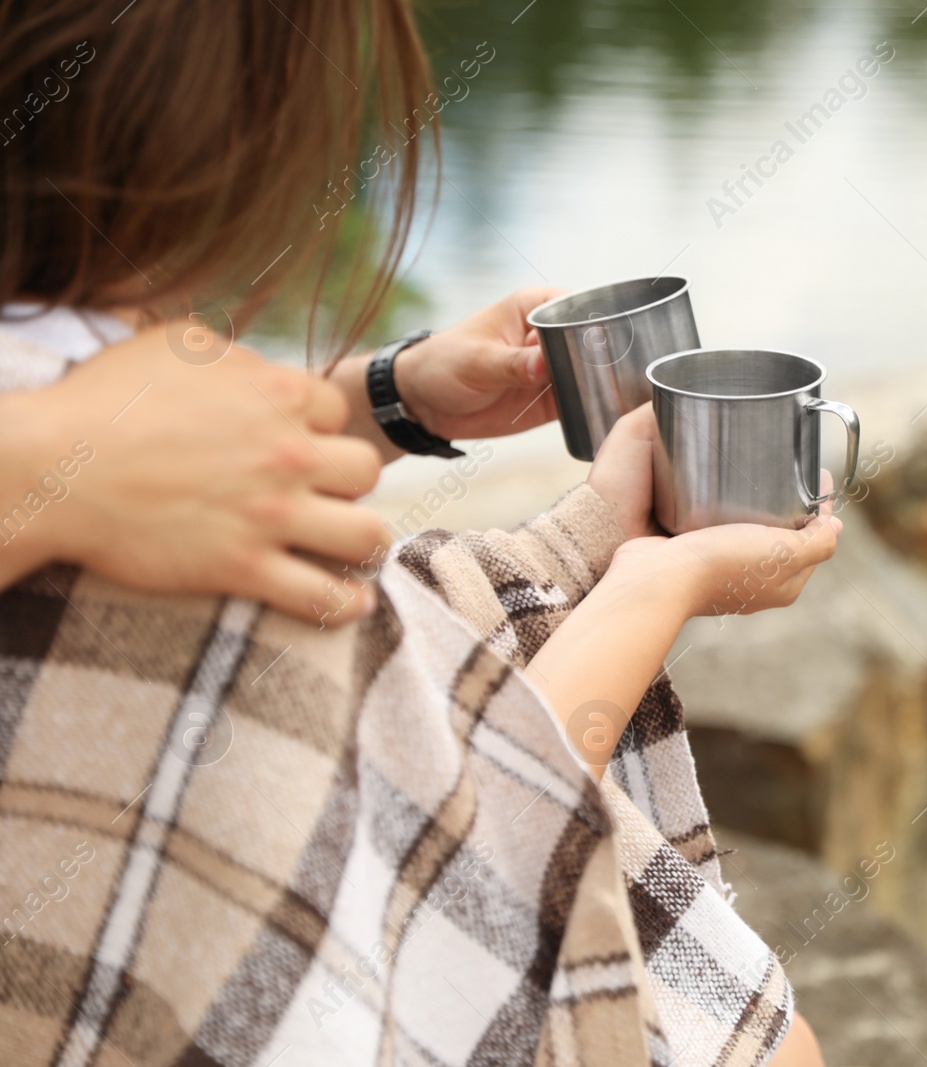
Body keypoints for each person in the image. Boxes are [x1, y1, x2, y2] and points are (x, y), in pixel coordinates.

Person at [0, 3, 833, 1065]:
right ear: (244, 122)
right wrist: (648, 588)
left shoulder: (90, 443)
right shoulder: (201, 561)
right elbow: (467, 874)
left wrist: (393, 397)